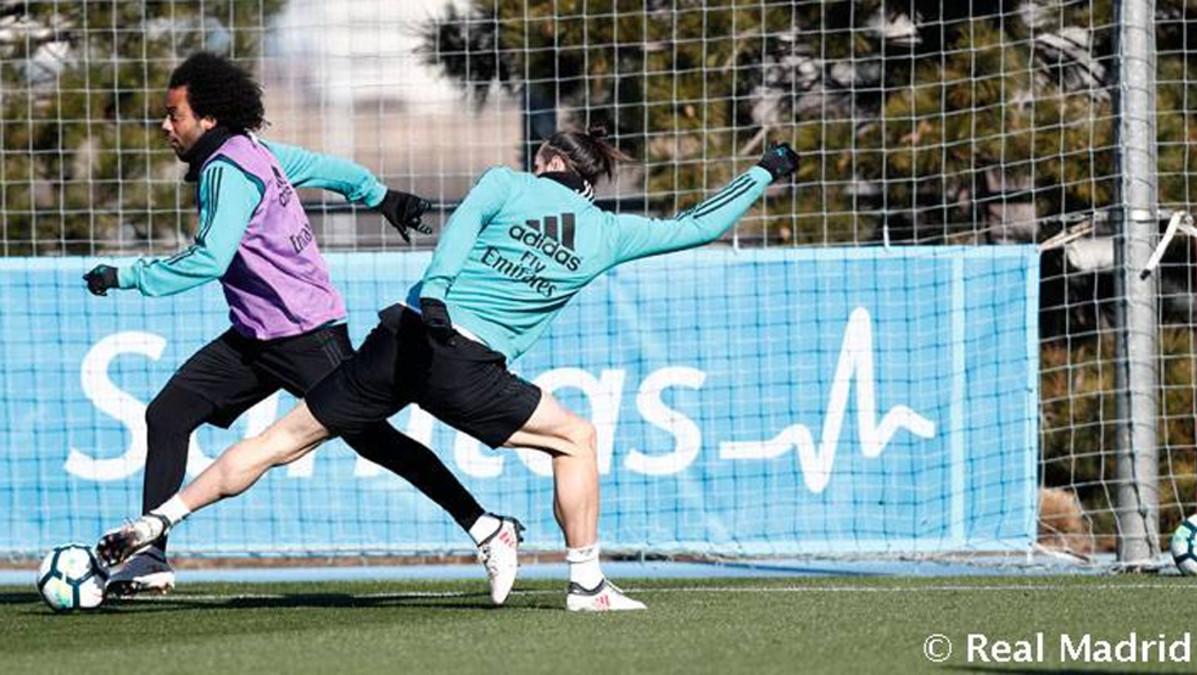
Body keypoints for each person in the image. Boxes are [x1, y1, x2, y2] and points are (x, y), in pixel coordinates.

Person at [97, 124, 800, 612]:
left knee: (279, 441)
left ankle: (160, 518)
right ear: (586, 180)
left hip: (399, 338)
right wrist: (762, 172)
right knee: (576, 437)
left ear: (545, 160)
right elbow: (701, 225)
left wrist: (433, 294)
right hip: (464, 365)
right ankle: (586, 584)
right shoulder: (612, 230)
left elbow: (458, 236)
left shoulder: (505, 181)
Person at [83, 52, 522, 604]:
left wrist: (123, 276)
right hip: (254, 338)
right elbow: (330, 169)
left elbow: (208, 260)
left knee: (375, 441)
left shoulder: (229, 169)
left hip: (305, 335)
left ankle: (487, 527)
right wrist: (380, 196)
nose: (165, 126)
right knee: (168, 413)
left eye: (175, 115)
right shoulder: (255, 150)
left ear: (209, 118)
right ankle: (148, 556)